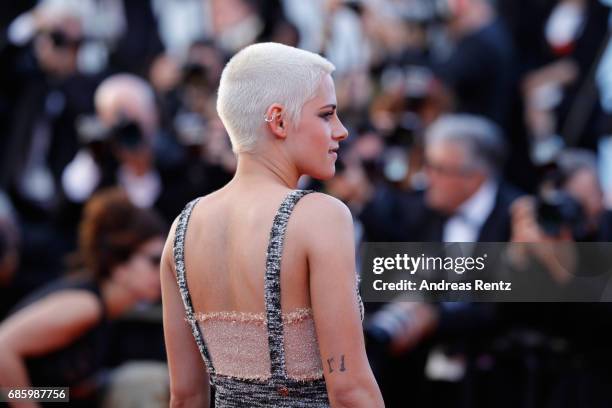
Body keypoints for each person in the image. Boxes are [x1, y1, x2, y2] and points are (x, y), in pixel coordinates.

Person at [161, 42, 384, 407]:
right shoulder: (320, 217)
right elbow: (350, 391)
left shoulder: (182, 229)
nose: (341, 131)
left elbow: (185, 398)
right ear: (279, 120)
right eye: (326, 115)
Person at [0, 188, 166, 407]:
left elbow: (56, 391)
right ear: (119, 266)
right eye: (155, 261)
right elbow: (2, 347)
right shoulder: (86, 305)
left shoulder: (109, 310)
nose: (164, 271)